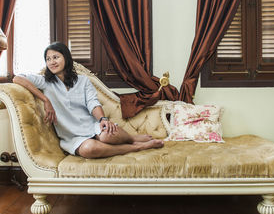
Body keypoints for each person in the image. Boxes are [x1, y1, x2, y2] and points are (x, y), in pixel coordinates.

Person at [13, 42, 164, 159]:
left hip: (91, 126)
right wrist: (45, 99)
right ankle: (137, 147)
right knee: (89, 149)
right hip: (72, 136)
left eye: (56, 57)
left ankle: (131, 138)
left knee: (108, 134)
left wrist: (103, 119)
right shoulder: (45, 81)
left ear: (66, 57)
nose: (51, 62)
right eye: (48, 59)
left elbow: (93, 103)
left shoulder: (83, 80)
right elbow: (17, 78)